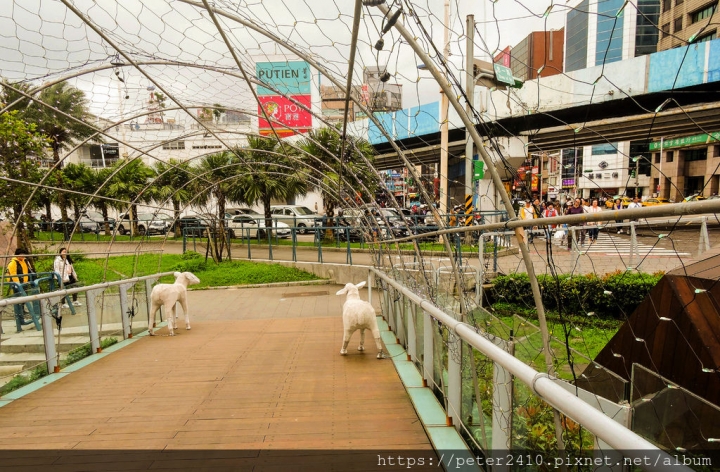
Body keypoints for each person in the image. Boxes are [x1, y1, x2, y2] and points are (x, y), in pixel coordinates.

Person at [5, 247, 40, 332]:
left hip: (24, 282)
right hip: (17, 283)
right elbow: (13, 274)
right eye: (21, 255)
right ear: (17, 255)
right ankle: (19, 316)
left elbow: (27, 271)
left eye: (24, 255)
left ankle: (22, 311)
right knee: (19, 299)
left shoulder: (24, 261)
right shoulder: (13, 263)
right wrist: (17, 284)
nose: (23, 256)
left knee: (23, 298)